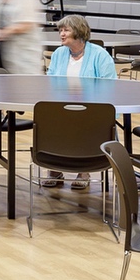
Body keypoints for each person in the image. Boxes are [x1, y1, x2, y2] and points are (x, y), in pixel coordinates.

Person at [42, 14, 118, 191]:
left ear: (78, 32)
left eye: (66, 30)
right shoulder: (59, 53)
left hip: (92, 107)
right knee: (47, 118)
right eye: (60, 30)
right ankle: (55, 168)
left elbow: (110, 87)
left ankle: (84, 171)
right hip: (62, 105)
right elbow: (49, 82)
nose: (61, 34)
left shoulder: (100, 55)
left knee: (84, 121)